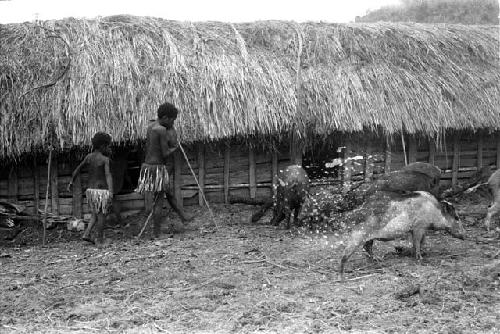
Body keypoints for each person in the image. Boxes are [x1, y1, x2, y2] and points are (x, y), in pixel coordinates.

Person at [136, 102, 192, 238]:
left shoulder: (151, 127)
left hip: (147, 167)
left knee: (152, 202)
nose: (173, 123)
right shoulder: (161, 130)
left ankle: (141, 231)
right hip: (157, 169)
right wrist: (176, 147)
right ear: (166, 117)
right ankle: (156, 233)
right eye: (172, 120)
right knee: (159, 202)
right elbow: (165, 153)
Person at [68, 132, 113, 245]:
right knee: (102, 215)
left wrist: (71, 181)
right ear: (102, 146)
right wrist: (111, 191)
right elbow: (108, 175)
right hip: (101, 192)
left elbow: (77, 169)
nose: (108, 148)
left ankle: (86, 234)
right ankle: (100, 240)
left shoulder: (89, 157)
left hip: (90, 192)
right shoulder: (104, 159)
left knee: (94, 214)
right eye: (107, 146)